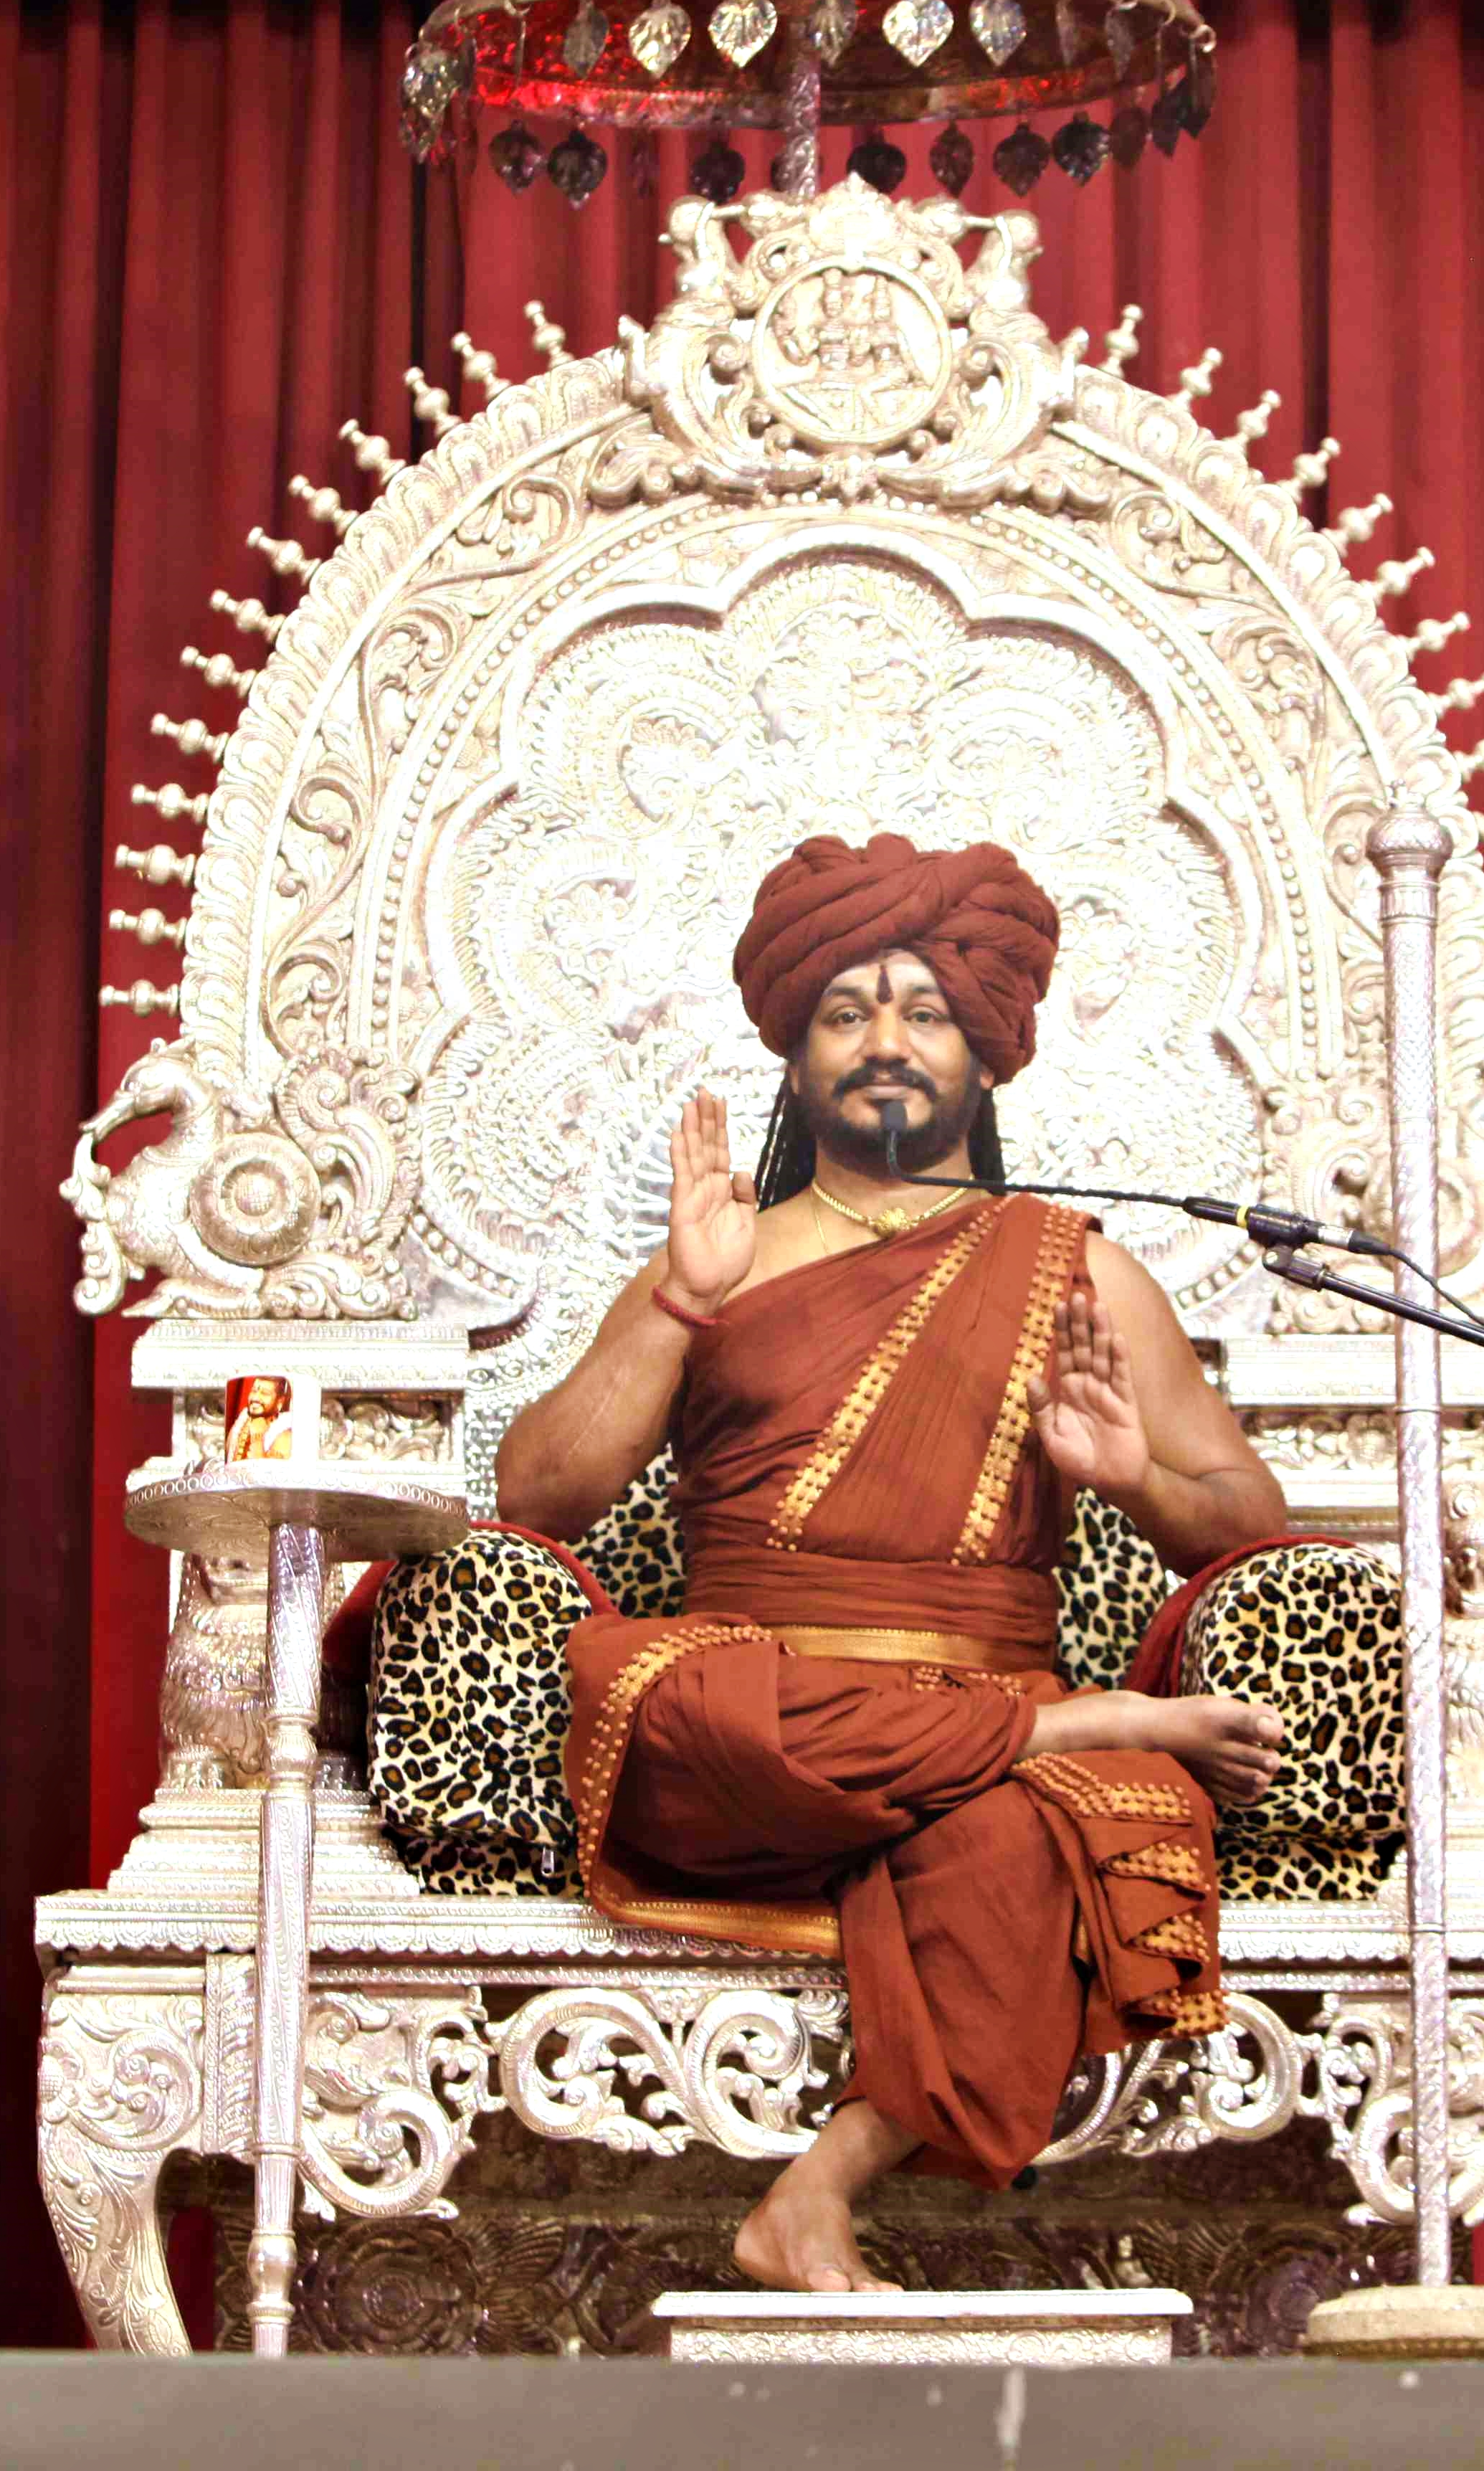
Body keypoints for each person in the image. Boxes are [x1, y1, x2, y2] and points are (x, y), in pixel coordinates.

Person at [493, 830, 1293, 2295]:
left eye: (925, 1012)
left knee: (1019, 1837)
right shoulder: (725, 1259)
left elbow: (1246, 1520)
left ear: (984, 1053)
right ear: (795, 1058)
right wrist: (681, 1303)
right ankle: (1082, 1728)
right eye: (846, 1012)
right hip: (760, 1741)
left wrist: (1133, 1478)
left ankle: (814, 2198)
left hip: (976, 1744)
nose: (885, 1042)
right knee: (669, 1694)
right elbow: (539, 1493)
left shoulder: (1077, 1269)